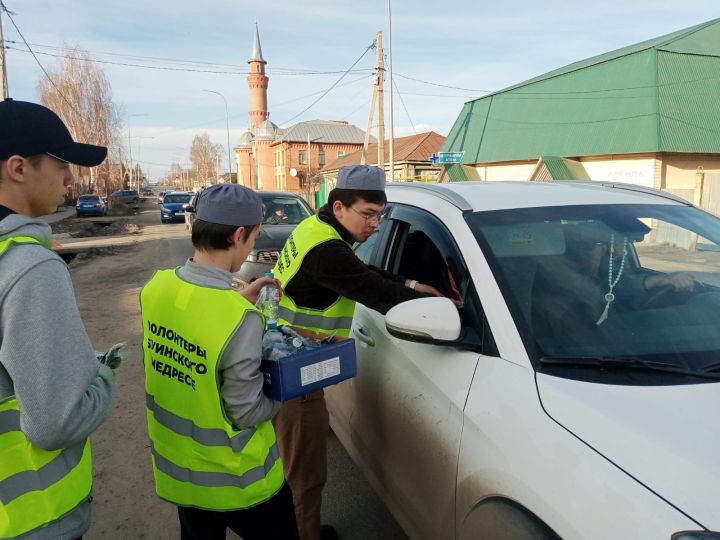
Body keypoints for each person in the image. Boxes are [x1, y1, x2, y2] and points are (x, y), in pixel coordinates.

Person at [272, 164, 448, 540]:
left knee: (296, 464)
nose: (373, 225)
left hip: (287, 354)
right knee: (305, 472)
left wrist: (414, 282)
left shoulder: (315, 229)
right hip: (295, 372)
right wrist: (441, 303)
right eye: (367, 214)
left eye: (378, 216)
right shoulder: (327, 251)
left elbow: (362, 271)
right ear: (338, 207)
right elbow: (374, 291)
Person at [140, 184, 299, 540]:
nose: (252, 247)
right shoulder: (241, 319)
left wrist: (242, 296)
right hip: (239, 480)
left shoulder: (156, 289)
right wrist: (286, 389)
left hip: (181, 473)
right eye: (254, 237)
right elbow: (246, 411)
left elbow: (195, 325)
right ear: (240, 234)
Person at [0, 98, 115, 539]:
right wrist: (101, 375)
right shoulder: (28, 267)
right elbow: (57, 422)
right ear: (18, 168)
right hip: (34, 519)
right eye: (60, 163)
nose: (71, 178)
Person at [532, 220, 695, 341]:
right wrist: (658, 281)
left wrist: (659, 282)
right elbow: (596, 295)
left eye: (608, 247)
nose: (607, 251)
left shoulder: (605, 276)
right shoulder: (554, 281)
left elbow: (617, 286)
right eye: (591, 246)